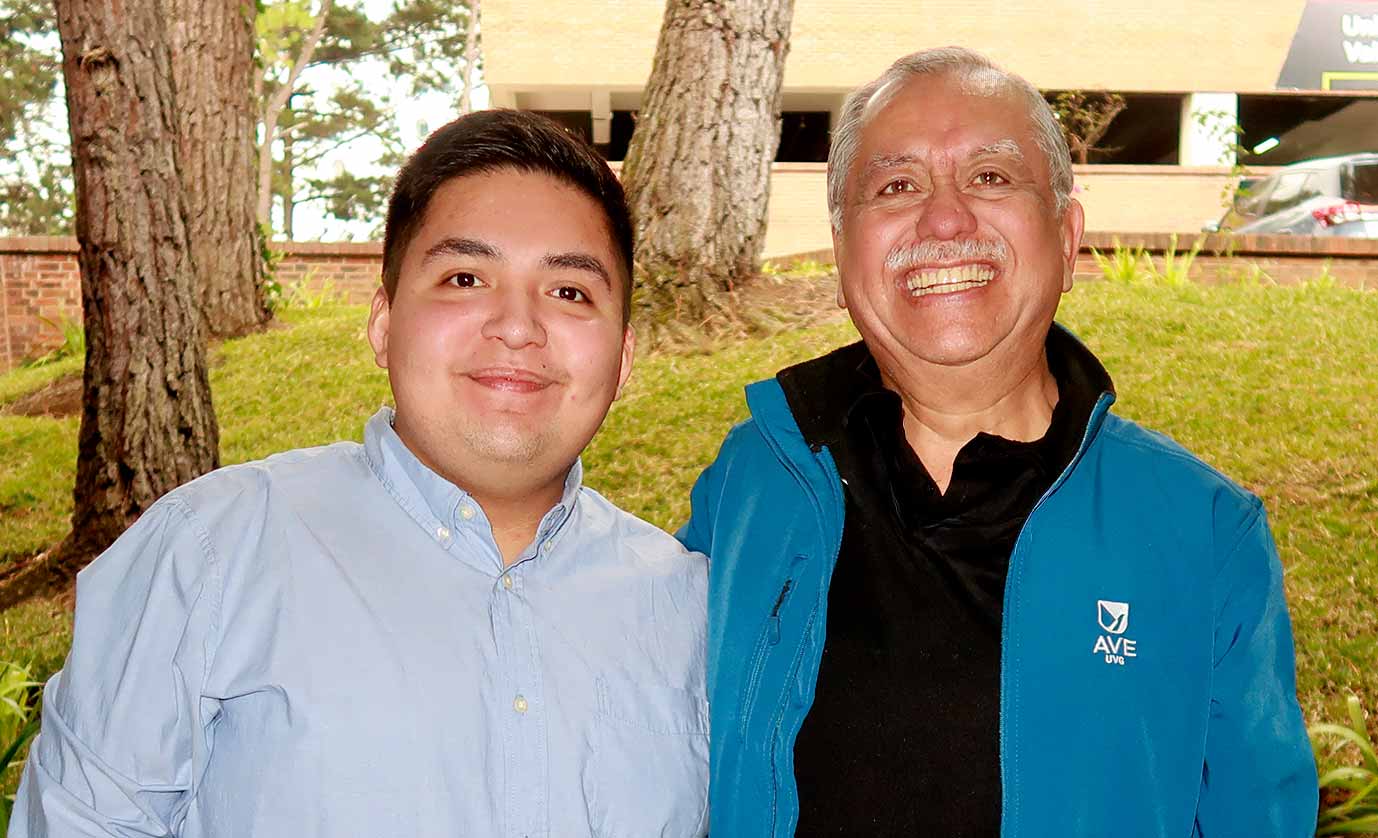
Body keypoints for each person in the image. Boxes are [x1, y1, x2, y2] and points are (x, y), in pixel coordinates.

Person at [13, 109, 709, 837]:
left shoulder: (689, 606)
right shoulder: (211, 556)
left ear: (623, 357)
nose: (517, 326)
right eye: (465, 277)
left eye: (569, 292)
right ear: (383, 323)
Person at [682, 47, 1317, 837]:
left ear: (1067, 237)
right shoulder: (750, 482)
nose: (944, 220)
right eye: (897, 185)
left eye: (990, 176)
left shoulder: (1204, 530)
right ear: (843, 252)